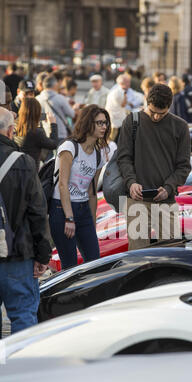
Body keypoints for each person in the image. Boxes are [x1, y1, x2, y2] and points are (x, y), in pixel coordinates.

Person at [117, 83, 191, 250]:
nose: (156, 117)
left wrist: (168, 187)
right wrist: (131, 182)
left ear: (169, 106)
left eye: (162, 114)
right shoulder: (132, 121)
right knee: (137, 257)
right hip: (136, 200)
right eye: (152, 112)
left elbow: (184, 166)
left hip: (166, 200)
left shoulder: (180, 126)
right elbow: (124, 158)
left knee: (172, 254)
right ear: (146, 102)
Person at [0, 107, 51, 337]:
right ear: (11, 131)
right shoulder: (23, 162)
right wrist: (43, 255)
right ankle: (22, 369)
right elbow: (37, 212)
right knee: (23, 316)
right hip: (18, 253)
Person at [48, 105, 110, 270]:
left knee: (95, 263)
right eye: (99, 123)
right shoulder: (69, 147)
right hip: (62, 209)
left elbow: (92, 192)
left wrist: (93, 221)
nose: (104, 127)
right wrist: (69, 218)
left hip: (83, 210)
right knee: (70, 266)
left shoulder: (98, 154)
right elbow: (63, 184)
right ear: (88, 123)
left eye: (105, 123)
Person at [14, 97, 58, 171]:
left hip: (15, 168)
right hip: (30, 171)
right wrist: (53, 124)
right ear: (37, 113)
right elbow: (53, 144)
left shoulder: (14, 125)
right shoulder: (36, 132)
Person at [37, 74, 76, 142]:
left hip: (44, 135)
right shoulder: (60, 98)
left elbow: (37, 117)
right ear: (55, 85)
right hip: (60, 133)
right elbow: (72, 114)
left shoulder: (37, 99)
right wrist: (75, 108)